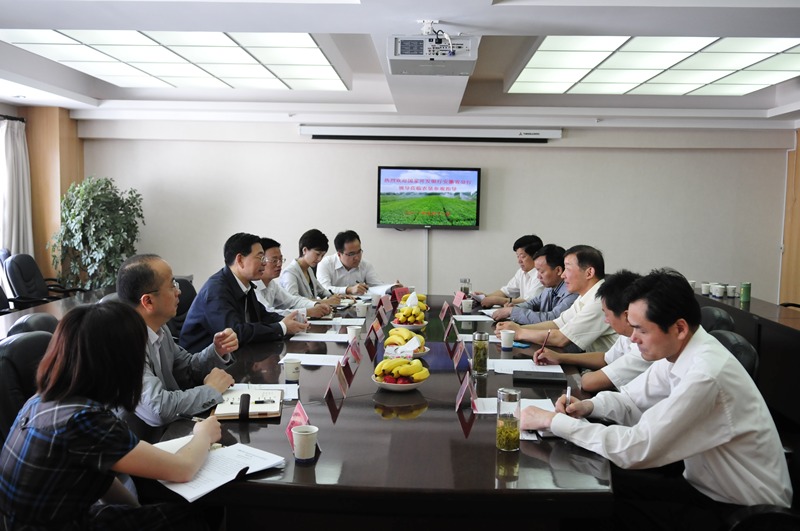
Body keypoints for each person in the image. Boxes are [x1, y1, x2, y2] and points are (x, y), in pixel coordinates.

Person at [521, 268, 792, 530]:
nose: (633, 339)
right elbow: (630, 400)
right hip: (703, 484)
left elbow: (636, 449)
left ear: (679, 328)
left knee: (591, 508)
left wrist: (554, 422)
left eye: (641, 330)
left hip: (739, 511)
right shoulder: (679, 352)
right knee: (591, 478)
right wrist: (588, 406)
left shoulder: (706, 375)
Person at [0, 302, 222, 530]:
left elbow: (101, 479)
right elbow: (182, 469)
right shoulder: (84, 420)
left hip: (38, 520)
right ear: (118, 361)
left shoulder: (40, 401)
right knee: (198, 514)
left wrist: (138, 511)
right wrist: (203, 435)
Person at [116, 254, 237, 438]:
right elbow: (159, 409)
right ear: (148, 301)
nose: (178, 292)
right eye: (172, 285)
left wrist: (217, 351)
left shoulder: (159, 328)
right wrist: (211, 390)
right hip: (140, 444)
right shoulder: (124, 343)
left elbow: (186, 369)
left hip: (170, 431)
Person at [180, 232, 308, 353]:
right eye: (260, 257)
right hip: (201, 362)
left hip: (235, 355)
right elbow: (235, 332)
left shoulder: (245, 284)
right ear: (240, 260)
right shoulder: (216, 290)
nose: (264, 263)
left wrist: (291, 321)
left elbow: (262, 315)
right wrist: (282, 327)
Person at [533, 269, 652, 392]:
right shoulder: (627, 336)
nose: (606, 321)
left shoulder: (644, 347)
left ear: (626, 315)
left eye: (606, 315)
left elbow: (589, 383)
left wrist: (586, 372)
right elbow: (606, 359)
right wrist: (560, 357)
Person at [496, 244, 617, 353]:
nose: (563, 275)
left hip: (607, 367)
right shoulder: (584, 296)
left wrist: (519, 333)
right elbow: (557, 323)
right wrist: (516, 328)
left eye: (567, 269)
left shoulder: (600, 300)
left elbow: (561, 338)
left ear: (589, 273)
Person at [491, 244, 577, 324]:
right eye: (537, 271)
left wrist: (512, 311)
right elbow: (532, 303)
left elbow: (553, 319)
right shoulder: (549, 288)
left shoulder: (572, 292)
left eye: (541, 272)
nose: (538, 276)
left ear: (558, 270)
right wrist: (515, 307)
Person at [316, 229, 400, 295]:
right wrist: (349, 290)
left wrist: (391, 288)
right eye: (351, 254)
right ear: (339, 254)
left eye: (359, 252)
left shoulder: (365, 265)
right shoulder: (326, 264)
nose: (357, 257)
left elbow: (377, 286)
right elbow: (323, 289)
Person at [474, 234, 545, 308]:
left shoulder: (541, 275)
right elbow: (506, 291)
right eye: (517, 256)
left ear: (535, 255)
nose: (519, 261)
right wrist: (486, 297)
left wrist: (498, 300)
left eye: (523, 256)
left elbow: (530, 302)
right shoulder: (521, 272)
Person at [278, 230, 340, 303]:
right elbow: (294, 300)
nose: (320, 259)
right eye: (317, 254)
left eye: (322, 255)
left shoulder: (309, 269)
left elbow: (321, 291)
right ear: (304, 250)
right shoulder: (289, 273)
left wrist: (335, 296)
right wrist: (325, 301)